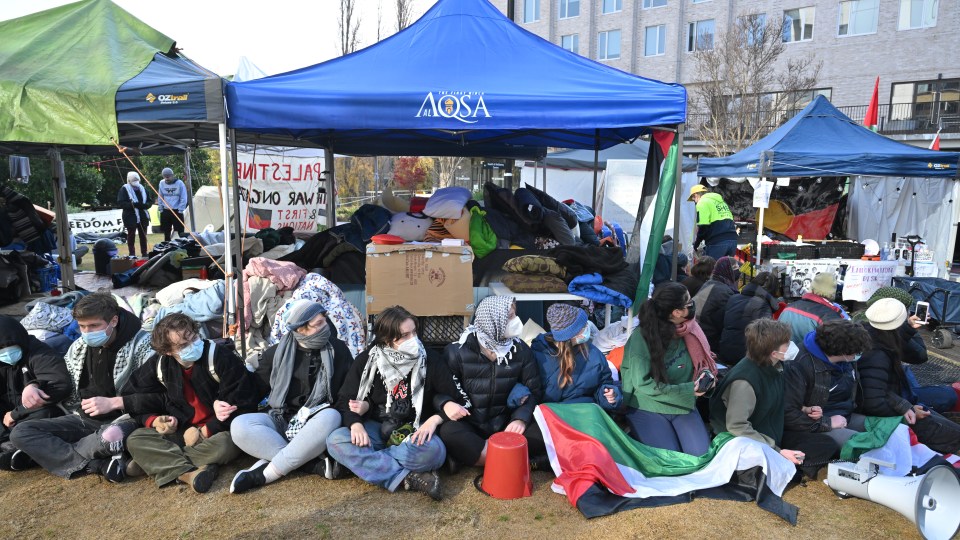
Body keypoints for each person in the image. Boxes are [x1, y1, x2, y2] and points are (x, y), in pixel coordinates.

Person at [8, 293, 153, 480]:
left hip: (126, 418)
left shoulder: (144, 346)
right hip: (82, 419)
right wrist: (34, 384)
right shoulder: (79, 346)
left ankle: (48, 453)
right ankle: (96, 464)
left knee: (112, 435)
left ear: (114, 320)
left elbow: (158, 395)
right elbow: (61, 379)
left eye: (94, 326)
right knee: (22, 432)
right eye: (82, 326)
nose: (87, 332)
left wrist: (115, 403)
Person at [326, 306, 462, 500]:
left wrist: (436, 419)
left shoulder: (430, 359)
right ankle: (408, 476)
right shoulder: (368, 359)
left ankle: (367, 462)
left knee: (433, 453)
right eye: (404, 336)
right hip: (377, 426)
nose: (413, 339)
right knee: (336, 441)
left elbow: (452, 397)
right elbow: (345, 400)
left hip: (415, 430)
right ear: (387, 339)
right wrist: (355, 423)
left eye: (414, 332)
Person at [123, 313, 257, 493]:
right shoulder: (160, 364)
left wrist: (204, 432)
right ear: (167, 351)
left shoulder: (220, 356)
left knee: (227, 445)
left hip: (219, 431)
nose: (193, 345)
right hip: (182, 429)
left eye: (194, 337)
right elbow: (133, 396)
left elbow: (242, 403)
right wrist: (154, 420)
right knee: (136, 438)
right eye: (183, 345)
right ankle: (189, 470)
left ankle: (154, 461)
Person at [229, 300, 353, 494]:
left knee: (332, 416)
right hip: (282, 419)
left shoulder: (338, 350)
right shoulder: (277, 353)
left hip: (318, 423)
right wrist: (227, 404)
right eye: (319, 324)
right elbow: (253, 391)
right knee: (239, 425)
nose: (326, 326)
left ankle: (266, 474)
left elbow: (347, 392)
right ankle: (309, 463)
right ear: (301, 329)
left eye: (325, 320)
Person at [709, 319, 837, 478]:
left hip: (770, 433)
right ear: (774, 353)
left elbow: (772, 399)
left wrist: (804, 409)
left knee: (826, 444)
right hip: (749, 440)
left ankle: (787, 465)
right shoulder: (744, 381)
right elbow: (737, 426)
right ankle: (786, 467)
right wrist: (778, 451)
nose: (791, 345)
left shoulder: (774, 367)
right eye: (786, 344)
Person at [436, 296, 545, 470]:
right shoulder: (456, 352)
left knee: (544, 430)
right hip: (470, 422)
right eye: (509, 316)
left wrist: (520, 419)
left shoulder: (521, 350)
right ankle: (510, 459)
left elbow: (534, 391)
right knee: (449, 432)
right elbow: (441, 390)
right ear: (494, 321)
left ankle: (475, 458)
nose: (516, 321)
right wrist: (447, 403)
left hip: (506, 423)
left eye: (514, 315)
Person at [621, 282, 717, 455]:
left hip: (682, 403)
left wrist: (705, 375)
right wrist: (689, 390)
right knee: (670, 459)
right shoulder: (641, 338)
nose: (693, 304)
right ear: (677, 312)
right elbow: (643, 385)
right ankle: (636, 437)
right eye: (689, 303)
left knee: (701, 456)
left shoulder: (689, 329)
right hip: (647, 404)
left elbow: (702, 362)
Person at [858, 299, 960, 454]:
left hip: (896, 400)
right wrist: (906, 411)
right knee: (952, 433)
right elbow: (872, 401)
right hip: (887, 414)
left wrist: (909, 328)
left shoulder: (869, 334)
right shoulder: (877, 355)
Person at [783, 320, 872, 448]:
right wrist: (827, 422)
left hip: (845, 414)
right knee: (864, 445)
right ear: (843, 352)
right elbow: (789, 413)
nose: (858, 356)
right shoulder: (798, 365)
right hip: (814, 426)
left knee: (886, 429)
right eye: (857, 353)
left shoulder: (846, 360)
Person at [0, 316, 72, 468]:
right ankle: (10, 445)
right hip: (7, 416)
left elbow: (59, 384)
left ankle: (18, 449)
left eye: (10, 346)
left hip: (32, 412)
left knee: (46, 415)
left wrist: (16, 413)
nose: (5, 352)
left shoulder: (39, 353)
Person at [530, 304, 621, 411]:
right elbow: (530, 390)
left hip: (584, 413)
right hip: (550, 415)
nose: (587, 327)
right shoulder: (539, 354)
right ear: (571, 335)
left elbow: (604, 384)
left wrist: (610, 395)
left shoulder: (594, 355)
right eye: (583, 326)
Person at [716, 272, 782, 365]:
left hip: (724, 351)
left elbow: (721, 323)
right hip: (745, 357)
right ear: (773, 289)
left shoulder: (733, 298)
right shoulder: (763, 305)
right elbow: (766, 337)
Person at [778, 273, 847, 345]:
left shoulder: (788, 308)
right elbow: (836, 348)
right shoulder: (830, 316)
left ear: (812, 286)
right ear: (833, 291)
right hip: (812, 355)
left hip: (784, 354)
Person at [692, 256, 739, 350]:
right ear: (728, 271)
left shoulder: (709, 283)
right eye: (736, 268)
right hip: (709, 338)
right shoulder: (726, 291)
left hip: (697, 331)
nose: (739, 272)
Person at [688, 184, 738, 259]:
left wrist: (696, 244)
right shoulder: (721, 202)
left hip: (718, 242)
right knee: (726, 269)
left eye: (693, 198)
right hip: (733, 241)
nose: (694, 201)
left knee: (711, 268)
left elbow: (703, 226)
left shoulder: (702, 202)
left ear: (696, 195)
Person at [117, 171, 152, 257]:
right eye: (133, 180)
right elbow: (121, 203)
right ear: (129, 180)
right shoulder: (124, 189)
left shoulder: (143, 189)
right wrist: (133, 205)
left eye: (137, 180)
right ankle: (132, 253)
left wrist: (145, 205)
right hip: (130, 215)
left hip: (143, 215)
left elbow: (149, 201)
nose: (135, 182)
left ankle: (144, 252)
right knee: (131, 235)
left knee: (143, 235)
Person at [156, 167, 188, 242]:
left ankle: (183, 245)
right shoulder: (161, 183)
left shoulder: (180, 183)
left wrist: (180, 209)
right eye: (165, 177)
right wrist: (161, 208)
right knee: (166, 232)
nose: (167, 178)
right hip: (166, 210)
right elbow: (160, 196)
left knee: (180, 231)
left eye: (168, 176)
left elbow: (183, 197)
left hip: (177, 210)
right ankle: (167, 246)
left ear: (172, 175)